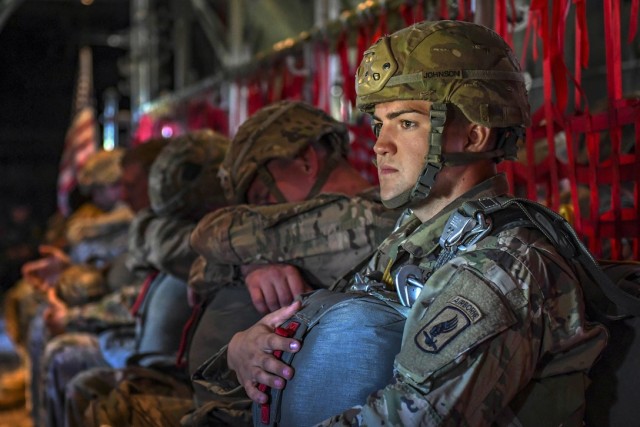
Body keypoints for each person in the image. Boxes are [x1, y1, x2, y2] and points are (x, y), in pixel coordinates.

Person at [217, 20, 609, 426]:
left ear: (474, 136)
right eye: (378, 124)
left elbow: (411, 418)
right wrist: (242, 348)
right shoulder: (414, 240)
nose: (380, 145)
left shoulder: (504, 264)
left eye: (406, 123)